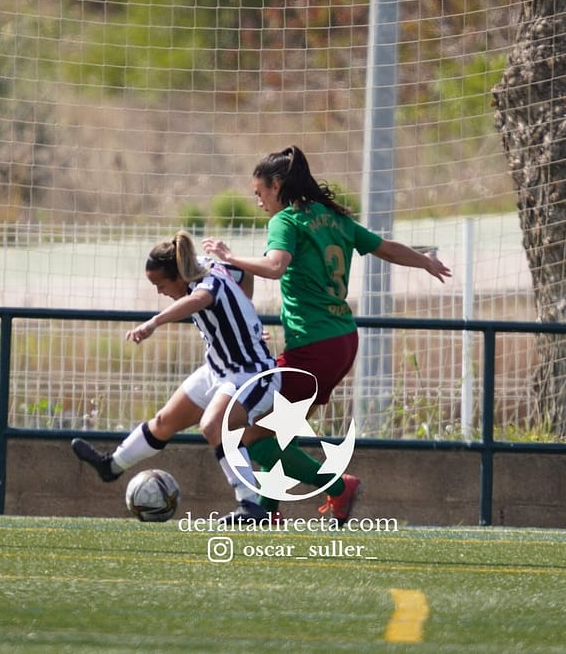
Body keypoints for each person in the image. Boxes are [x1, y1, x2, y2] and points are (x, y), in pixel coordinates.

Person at [203, 145, 452, 526]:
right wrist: (425, 261)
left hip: (314, 349)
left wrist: (229, 256)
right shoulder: (333, 217)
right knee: (278, 432)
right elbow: (384, 247)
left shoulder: (287, 220)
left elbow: (274, 266)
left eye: (259, 193)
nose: (259, 202)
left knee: (251, 436)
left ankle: (337, 487)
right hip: (342, 341)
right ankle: (269, 513)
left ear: (277, 185)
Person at [71, 230, 280, 522]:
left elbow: (199, 300)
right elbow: (242, 272)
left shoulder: (207, 282)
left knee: (214, 425)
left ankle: (250, 506)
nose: (159, 292)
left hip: (253, 374)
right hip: (218, 370)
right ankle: (111, 467)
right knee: (163, 423)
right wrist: (245, 312)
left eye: (160, 284)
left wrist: (155, 322)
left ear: (179, 276)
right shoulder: (202, 265)